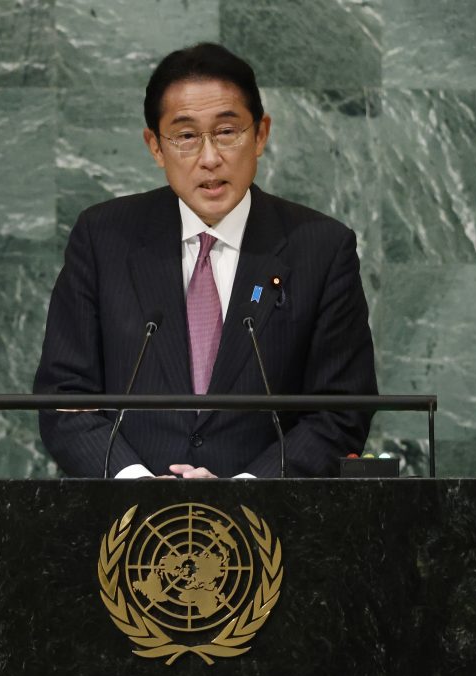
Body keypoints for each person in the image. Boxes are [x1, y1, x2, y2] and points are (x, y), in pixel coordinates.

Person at [33, 43, 377, 478]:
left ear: (262, 134)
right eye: (187, 135)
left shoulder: (322, 248)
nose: (210, 157)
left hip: (272, 525)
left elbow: (341, 411)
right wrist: (135, 484)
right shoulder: (103, 239)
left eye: (227, 131)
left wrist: (247, 490)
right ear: (155, 147)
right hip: (122, 527)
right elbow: (65, 395)